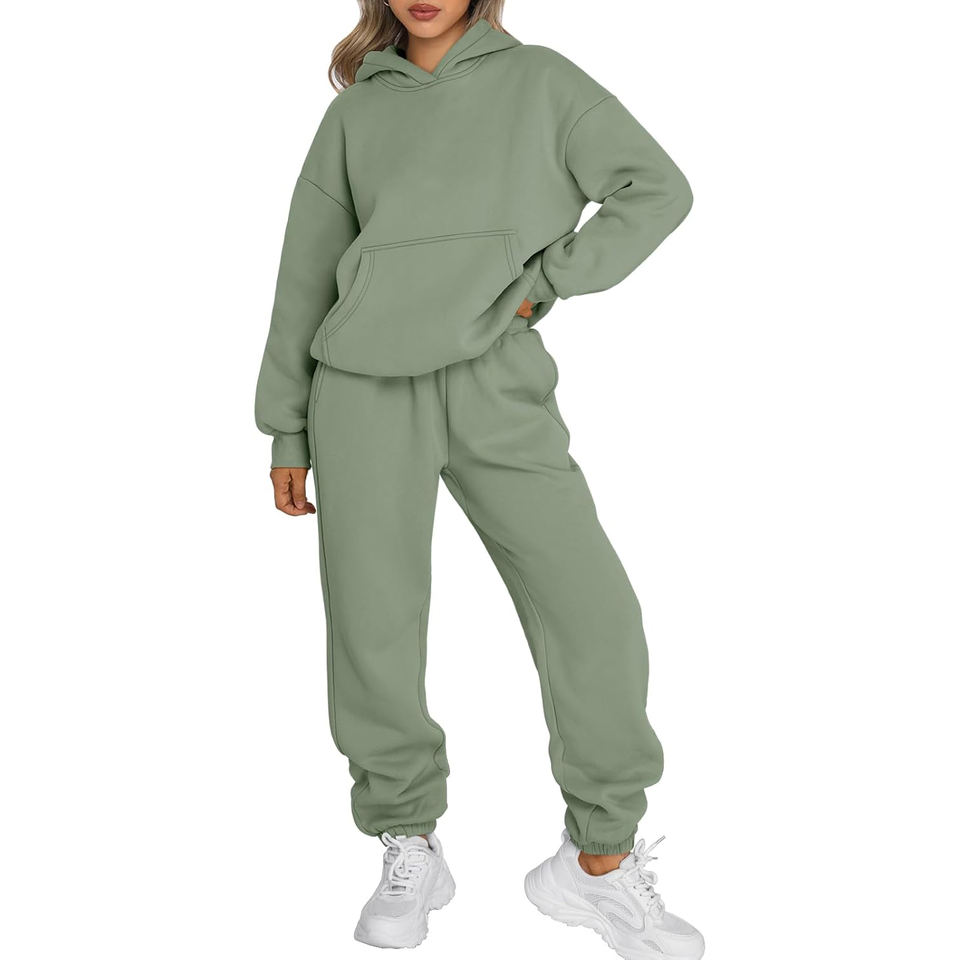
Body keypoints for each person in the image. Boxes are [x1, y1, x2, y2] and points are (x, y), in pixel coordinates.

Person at [255, 2, 703, 957]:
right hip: (361, 390)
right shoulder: (356, 113)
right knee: (374, 623)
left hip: (497, 376)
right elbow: (306, 271)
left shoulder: (541, 81)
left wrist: (547, 280)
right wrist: (286, 426)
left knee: (592, 610)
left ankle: (598, 859)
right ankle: (406, 836)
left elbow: (656, 187)